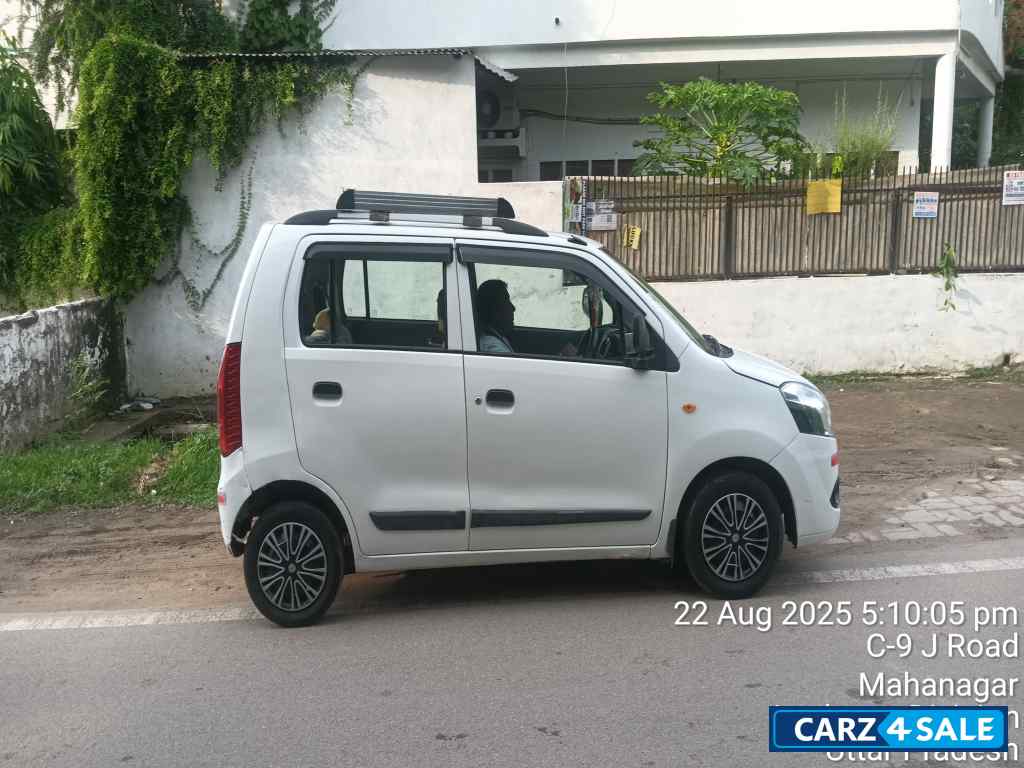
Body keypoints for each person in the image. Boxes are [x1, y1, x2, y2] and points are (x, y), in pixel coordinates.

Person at [476, 279, 515, 354]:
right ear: (494, 310)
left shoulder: (497, 335)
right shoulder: (494, 347)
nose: (513, 308)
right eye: (506, 302)